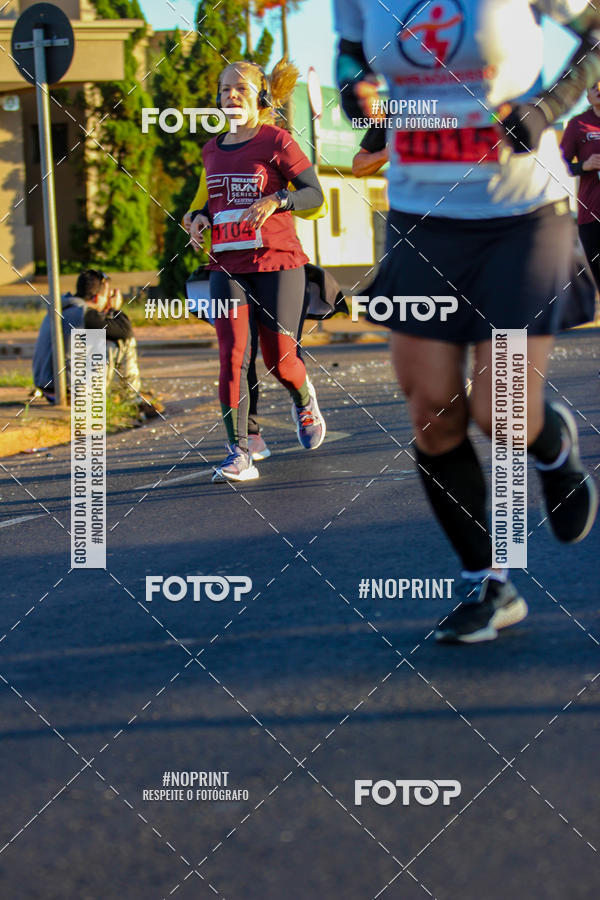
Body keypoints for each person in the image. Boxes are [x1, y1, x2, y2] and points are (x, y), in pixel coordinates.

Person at [334, 0, 599, 643]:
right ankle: (489, 583)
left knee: (501, 412)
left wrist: (545, 108)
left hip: (523, 214)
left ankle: (550, 443)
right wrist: (356, 91)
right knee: (432, 409)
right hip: (422, 215)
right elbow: (349, 56)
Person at [188, 59, 327, 483]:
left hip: (278, 262)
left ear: (260, 98)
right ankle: (241, 450)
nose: (231, 95)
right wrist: (195, 218)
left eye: (241, 89)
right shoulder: (212, 149)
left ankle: (303, 396)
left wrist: (278, 200)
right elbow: (203, 201)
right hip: (227, 265)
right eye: (224, 88)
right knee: (232, 355)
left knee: (279, 359)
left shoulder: (277, 141)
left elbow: (315, 197)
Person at [33, 269, 158, 415]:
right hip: (69, 391)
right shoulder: (83, 314)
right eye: (106, 296)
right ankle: (131, 399)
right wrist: (115, 309)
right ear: (97, 297)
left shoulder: (65, 308)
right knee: (121, 343)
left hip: (49, 389)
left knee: (100, 339)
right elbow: (125, 331)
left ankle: (123, 393)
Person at [560, 81, 600, 300]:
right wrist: (584, 165)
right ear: (587, 95)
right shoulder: (578, 125)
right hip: (591, 216)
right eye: (593, 86)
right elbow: (559, 163)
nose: (598, 89)